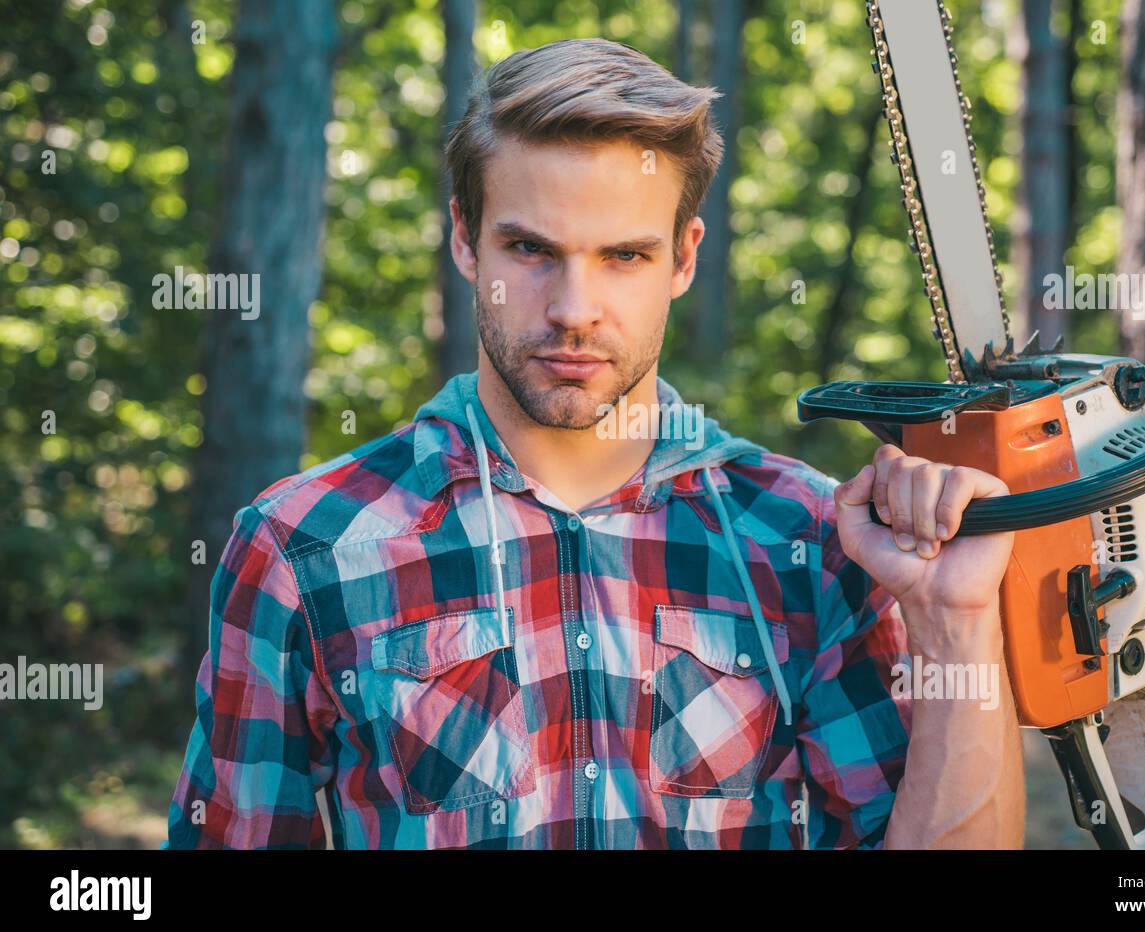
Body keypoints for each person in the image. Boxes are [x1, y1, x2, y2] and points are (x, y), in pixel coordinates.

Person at [165, 37, 1023, 849]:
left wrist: (955, 623)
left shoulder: (808, 539)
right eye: (531, 249)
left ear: (683, 259)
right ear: (465, 239)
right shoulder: (304, 547)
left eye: (624, 256)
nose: (574, 307)